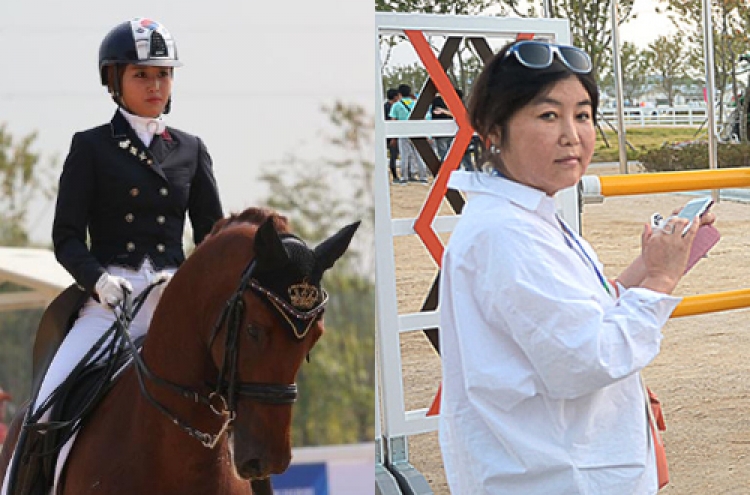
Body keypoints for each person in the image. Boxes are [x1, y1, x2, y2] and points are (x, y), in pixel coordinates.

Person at [438, 40, 715, 494]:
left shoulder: (530, 215)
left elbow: (586, 313)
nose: (573, 134)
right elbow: (591, 357)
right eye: (548, 115)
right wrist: (661, 279)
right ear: (493, 130)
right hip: (554, 476)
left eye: (583, 114)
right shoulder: (506, 235)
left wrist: (650, 266)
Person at [1, 17, 224, 494]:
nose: (154, 84)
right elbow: (66, 238)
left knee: (241, 397)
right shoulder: (91, 147)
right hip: (108, 305)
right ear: (114, 80)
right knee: (41, 412)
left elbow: (211, 238)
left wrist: (195, 285)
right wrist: (99, 281)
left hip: (173, 305)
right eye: (141, 74)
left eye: (162, 74)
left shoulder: (190, 150)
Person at [389, 84, 429, 184]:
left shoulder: (396, 105)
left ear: (400, 93)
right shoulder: (416, 103)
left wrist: (394, 136)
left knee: (404, 156)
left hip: (403, 132)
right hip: (417, 132)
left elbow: (393, 121)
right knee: (419, 156)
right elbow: (423, 118)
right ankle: (423, 177)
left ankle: (404, 178)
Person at [431, 89, 474, 171]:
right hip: (456, 131)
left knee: (445, 154)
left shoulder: (437, 101)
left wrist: (443, 111)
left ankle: (449, 171)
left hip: (441, 131)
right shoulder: (460, 104)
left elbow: (435, 113)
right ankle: (457, 170)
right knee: (459, 154)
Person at [384, 88, 402, 182]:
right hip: (391, 135)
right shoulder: (394, 107)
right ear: (395, 97)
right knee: (393, 155)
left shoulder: (384, 107)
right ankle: (395, 176)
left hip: (386, 134)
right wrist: (393, 137)